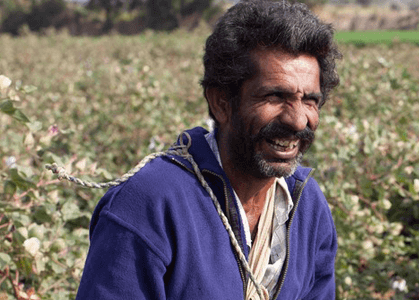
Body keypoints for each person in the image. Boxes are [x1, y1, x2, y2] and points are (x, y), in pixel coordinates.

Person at [74, 1, 341, 299]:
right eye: (274, 96)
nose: (298, 120)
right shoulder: (148, 203)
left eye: (310, 101)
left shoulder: (307, 204)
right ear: (221, 103)